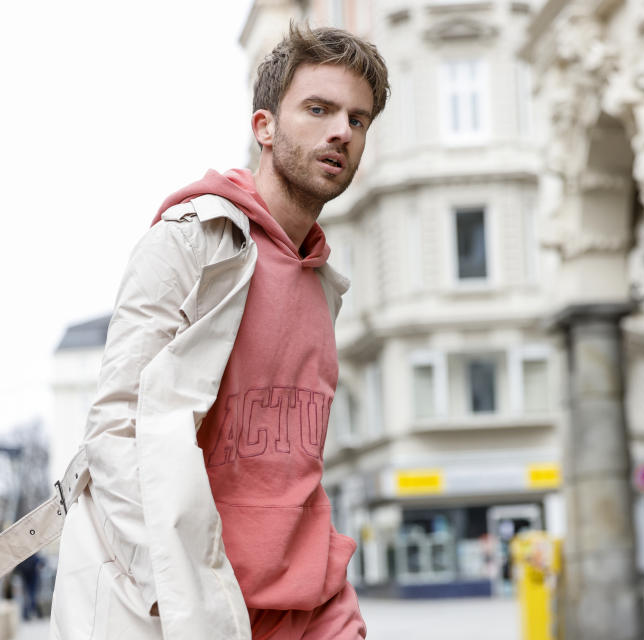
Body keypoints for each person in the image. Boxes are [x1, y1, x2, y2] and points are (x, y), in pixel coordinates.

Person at [45, 21, 389, 640]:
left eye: (358, 120)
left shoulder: (323, 284)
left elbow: (296, 466)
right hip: (197, 612)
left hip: (315, 611)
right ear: (264, 127)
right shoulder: (190, 243)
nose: (342, 130)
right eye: (318, 109)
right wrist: (177, 594)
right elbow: (116, 431)